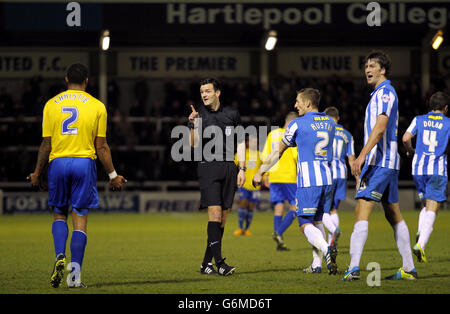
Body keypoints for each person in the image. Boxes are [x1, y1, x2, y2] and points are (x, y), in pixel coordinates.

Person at [27, 64, 127, 288]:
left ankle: (59, 255)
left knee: (59, 214)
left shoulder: (51, 105)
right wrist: (113, 175)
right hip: (83, 163)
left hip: (58, 162)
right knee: (80, 217)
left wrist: (36, 172)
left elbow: (46, 144)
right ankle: (74, 278)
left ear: (65, 79)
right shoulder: (97, 106)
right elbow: (101, 147)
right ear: (87, 81)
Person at [344, 50, 417, 281]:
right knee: (392, 212)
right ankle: (409, 268)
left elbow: (381, 127)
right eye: (366, 66)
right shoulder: (379, 93)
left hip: (380, 162)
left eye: (373, 66)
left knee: (362, 209)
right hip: (388, 162)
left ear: (383, 70)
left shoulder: (384, 93)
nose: (368, 70)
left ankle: (353, 268)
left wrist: (361, 156)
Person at [253, 88, 338, 275]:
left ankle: (326, 249)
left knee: (304, 222)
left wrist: (260, 171)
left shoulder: (297, 124)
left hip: (308, 180)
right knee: (317, 222)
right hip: (327, 179)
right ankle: (316, 266)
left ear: (308, 103)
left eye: (298, 101)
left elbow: (278, 151)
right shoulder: (330, 123)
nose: (295, 105)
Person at [188, 78, 246, 276]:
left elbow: (240, 143)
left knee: (221, 219)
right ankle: (220, 263)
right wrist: (193, 124)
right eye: (202, 91)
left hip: (230, 167)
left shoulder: (232, 114)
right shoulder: (199, 116)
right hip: (208, 167)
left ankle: (206, 264)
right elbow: (194, 146)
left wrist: (243, 168)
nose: (203, 95)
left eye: (207, 91)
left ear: (217, 93)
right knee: (214, 214)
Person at [402, 91, 449, 263]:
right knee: (433, 207)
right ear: (446, 108)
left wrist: (410, 150)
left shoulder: (419, 119)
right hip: (436, 169)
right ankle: (421, 244)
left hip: (418, 169)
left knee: (425, 205)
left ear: (430, 106)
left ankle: (421, 230)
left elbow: (406, 138)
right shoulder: (448, 123)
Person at [260, 111, 298, 251]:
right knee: (295, 207)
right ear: (292, 123)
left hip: (274, 176)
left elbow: (265, 155)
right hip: (288, 176)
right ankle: (279, 232)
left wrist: (265, 174)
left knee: (278, 207)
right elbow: (295, 156)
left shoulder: (272, 134)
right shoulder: (291, 135)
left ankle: (279, 243)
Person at [322, 106, 355, 246]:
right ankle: (332, 243)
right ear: (338, 118)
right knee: (334, 209)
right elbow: (351, 159)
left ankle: (334, 230)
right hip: (341, 174)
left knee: (323, 209)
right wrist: (357, 175)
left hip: (327, 174)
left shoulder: (323, 131)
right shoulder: (347, 135)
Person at [233, 134, 262, 236]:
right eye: (251, 141)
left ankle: (247, 229)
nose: (253, 143)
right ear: (247, 143)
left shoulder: (260, 154)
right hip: (243, 185)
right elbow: (232, 164)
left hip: (255, 186)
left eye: (255, 141)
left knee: (251, 207)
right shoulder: (242, 153)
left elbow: (265, 168)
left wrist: (265, 176)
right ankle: (240, 228)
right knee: (243, 204)